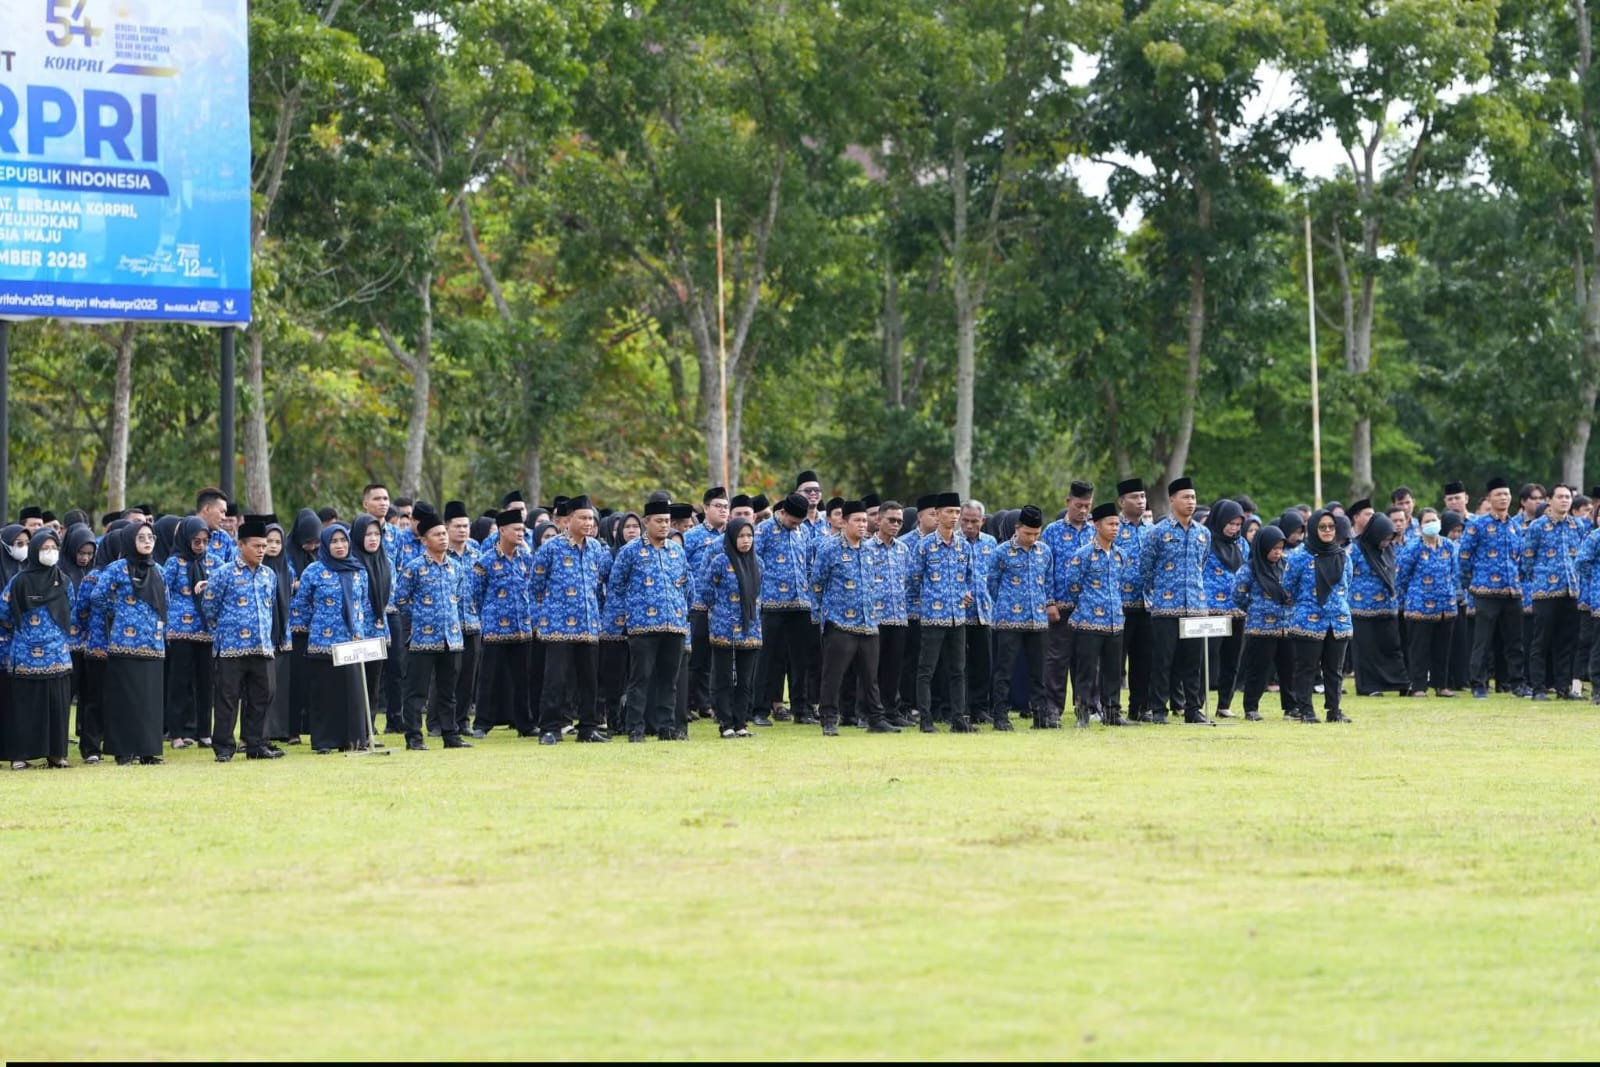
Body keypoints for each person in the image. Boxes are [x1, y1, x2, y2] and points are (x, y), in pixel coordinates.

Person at [608, 498, 692, 742]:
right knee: (640, 680)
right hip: (642, 626)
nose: (664, 525)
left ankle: (666, 727)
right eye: (659, 521)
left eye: (667, 521)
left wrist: (681, 612)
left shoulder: (676, 551)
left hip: (673, 624)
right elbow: (617, 586)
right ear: (646, 522)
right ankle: (635, 728)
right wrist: (625, 618)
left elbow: (687, 585)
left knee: (669, 680)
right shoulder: (630, 551)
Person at [202, 517, 284, 761]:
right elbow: (209, 608)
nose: (262, 550)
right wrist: (227, 630)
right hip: (231, 648)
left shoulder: (269, 575)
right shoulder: (223, 574)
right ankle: (224, 747)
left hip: (262, 647)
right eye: (257, 546)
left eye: (264, 546)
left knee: (263, 695)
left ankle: (256, 744)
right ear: (241, 545)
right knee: (227, 699)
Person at [531, 495, 610, 744]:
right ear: (569, 520)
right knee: (556, 679)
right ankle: (550, 728)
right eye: (583, 518)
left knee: (589, 680)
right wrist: (539, 619)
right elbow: (535, 587)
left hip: (588, 624)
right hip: (558, 625)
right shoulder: (551, 548)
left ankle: (588, 727)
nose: (588, 523)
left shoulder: (597, 548)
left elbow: (600, 586)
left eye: (591, 519)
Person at [812, 501, 894, 735]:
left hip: (868, 622)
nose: (862, 525)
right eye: (857, 520)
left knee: (870, 676)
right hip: (839, 622)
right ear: (845, 522)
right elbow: (817, 584)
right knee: (833, 675)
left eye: (864, 521)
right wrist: (819, 618)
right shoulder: (829, 549)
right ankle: (828, 719)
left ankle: (875, 718)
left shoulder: (869, 549)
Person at [292, 523, 375, 753]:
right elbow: (301, 604)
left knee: (353, 693)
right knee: (326, 693)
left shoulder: (359, 571)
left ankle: (355, 740)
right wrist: (316, 625)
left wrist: (363, 633)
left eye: (343, 541)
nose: (340, 546)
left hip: (352, 641)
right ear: (326, 545)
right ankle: (325, 741)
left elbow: (364, 605)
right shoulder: (314, 571)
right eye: (334, 541)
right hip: (323, 641)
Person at [394, 511, 471, 751]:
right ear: (425, 540)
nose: (443, 538)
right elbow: (400, 600)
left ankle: (451, 734)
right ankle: (414, 737)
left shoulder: (455, 567)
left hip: (452, 639)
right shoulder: (414, 568)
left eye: (443, 533)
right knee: (416, 692)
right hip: (422, 639)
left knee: (448, 691)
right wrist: (419, 619)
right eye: (436, 534)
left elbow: (458, 597)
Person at [92, 524, 168, 764]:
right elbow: (98, 596)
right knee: (125, 699)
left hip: (153, 644)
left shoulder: (159, 570)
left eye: (150, 537)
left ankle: (147, 751)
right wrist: (122, 612)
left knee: (149, 701)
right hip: (124, 644)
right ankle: (123, 751)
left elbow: (167, 600)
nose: (147, 541)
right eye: (141, 537)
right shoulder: (117, 569)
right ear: (129, 540)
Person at [0, 529, 75, 768]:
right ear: (35, 551)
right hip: (25, 656)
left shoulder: (63, 580)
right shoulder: (19, 581)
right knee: (24, 708)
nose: (50, 553)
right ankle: (20, 757)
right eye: (45, 548)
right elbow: (4, 611)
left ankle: (56, 755)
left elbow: (69, 608)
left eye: (54, 548)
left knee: (57, 707)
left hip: (57, 656)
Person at [1140, 477, 1212, 725]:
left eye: (1193, 497)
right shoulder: (1157, 532)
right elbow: (1146, 569)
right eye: (1185, 497)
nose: (1191, 502)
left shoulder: (1203, 533)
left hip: (1194, 606)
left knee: (1193, 663)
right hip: (1166, 608)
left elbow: (1201, 564)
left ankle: (1193, 709)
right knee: (1163, 661)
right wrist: (1158, 595)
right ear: (1172, 500)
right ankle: (1159, 709)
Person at [1060, 502, 1130, 727]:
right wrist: (1088, 603)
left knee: (1113, 671)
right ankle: (1083, 713)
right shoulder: (1084, 554)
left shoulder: (1120, 555)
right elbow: (1072, 584)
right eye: (1110, 524)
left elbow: (1121, 583)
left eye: (1117, 524)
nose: (1115, 528)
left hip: (1115, 621)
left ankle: (1112, 713)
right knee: (1086, 671)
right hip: (1089, 621)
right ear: (1097, 525)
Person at [1283, 509, 1354, 723]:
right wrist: (1308, 602)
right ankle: (1306, 710)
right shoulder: (1299, 557)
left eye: (1331, 527)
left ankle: (1334, 710)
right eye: (1322, 527)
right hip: (1308, 620)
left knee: (1334, 670)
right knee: (1306, 668)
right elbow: (1288, 587)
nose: (1327, 531)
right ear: (1313, 529)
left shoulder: (1343, 556)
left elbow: (1346, 585)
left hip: (1337, 620)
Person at [1460, 477, 1527, 699]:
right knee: (1483, 641)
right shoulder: (1477, 525)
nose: (1503, 498)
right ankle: (1479, 684)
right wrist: (1475, 582)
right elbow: (1464, 558)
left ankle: (1516, 683)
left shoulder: (1515, 526)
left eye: (1507, 494)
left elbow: (1520, 560)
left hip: (1512, 591)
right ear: (1489, 498)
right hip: (1485, 591)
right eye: (1498, 494)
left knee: (1515, 641)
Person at [752, 493, 816, 727]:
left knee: (801, 659)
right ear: (783, 513)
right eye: (793, 521)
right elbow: (755, 562)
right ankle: (759, 709)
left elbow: (808, 563)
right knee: (768, 658)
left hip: (801, 603)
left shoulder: (804, 532)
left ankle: (801, 709)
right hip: (771, 603)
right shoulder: (764, 530)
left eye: (799, 523)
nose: (796, 526)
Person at [987, 505, 1052, 730]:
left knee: (1039, 671)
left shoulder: (1044, 551)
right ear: (1017, 528)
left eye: (1036, 534)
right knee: (1004, 670)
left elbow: (1048, 583)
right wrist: (1007, 603)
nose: (1032, 538)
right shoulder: (1001, 552)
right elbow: (992, 584)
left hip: (1038, 620)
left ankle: (1041, 717)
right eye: (1028, 534)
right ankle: (1001, 717)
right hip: (1008, 620)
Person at [913, 492, 973, 733]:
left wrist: (967, 593)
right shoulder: (924, 546)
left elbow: (968, 578)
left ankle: (958, 718)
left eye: (957, 512)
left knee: (958, 670)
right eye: (949, 512)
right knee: (927, 669)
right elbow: (913, 580)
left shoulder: (963, 546)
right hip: (932, 617)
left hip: (957, 617)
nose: (954, 517)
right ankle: (925, 719)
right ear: (937, 515)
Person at [1521, 483, 1584, 701]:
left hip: (1570, 591)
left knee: (1565, 642)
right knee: (1541, 641)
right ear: (1550, 500)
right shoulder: (1538, 526)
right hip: (1545, 592)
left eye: (1568, 497)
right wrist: (1539, 580)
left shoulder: (1577, 526)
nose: (1565, 500)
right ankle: (1538, 687)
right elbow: (1527, 559)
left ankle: (1563, 687)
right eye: (1560, 497)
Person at [701, 516, 762, 736]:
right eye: (741, 536)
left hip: (750, 628)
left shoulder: (758, 563)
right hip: (724, 627)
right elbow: (705, 589)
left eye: (749, 536)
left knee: (745, 680)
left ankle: (741, 723)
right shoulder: (720, 561)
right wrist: (719, 609)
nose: (746, 540)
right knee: (724, 678)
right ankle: (726, 723)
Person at [1041, 482, 1094, 723]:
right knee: (1057, 660)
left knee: (1087, 660)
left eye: (1087, 506)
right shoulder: (1052, 531)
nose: (1083, 510)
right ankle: (1052, 709)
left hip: (1089, 607)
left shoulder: (1095, 530)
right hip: (1061, 607)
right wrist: (1049, 602)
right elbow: (1046, 569)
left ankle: (1087, 707)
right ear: (1068, 502)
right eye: (1078, 505)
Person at [163, 516, 217, 749]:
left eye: (205, 541)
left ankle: (204, 732)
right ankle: (176, 733)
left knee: (206, 683)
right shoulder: (175, 562)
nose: (201, 546)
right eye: (196, 541)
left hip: (206, 629)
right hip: (181, 630)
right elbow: (164, 592)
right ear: (186, 539)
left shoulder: (213, 562)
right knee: (180, 682)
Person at [1233, 524, 1295, 721]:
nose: (1278, 552)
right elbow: (1238, 595)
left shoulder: (1287, 565)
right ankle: (1251, 708)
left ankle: (1291, 708)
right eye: (1273, 548)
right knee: (1258, 670)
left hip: (1287, 627)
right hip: (1260, 628)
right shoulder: (1249, 568)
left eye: (1280, 548)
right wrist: (1256, 609)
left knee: (1289, 670)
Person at [1397, 508, 1459, 697]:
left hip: (1445, 606)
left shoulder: (1448, 545)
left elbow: (1454, 572)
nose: (1432, 524)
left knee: (1443, 648)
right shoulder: (1413, 547)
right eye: (1427, 521)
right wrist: (1411, 596)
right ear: (1420, 525)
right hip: (1419, 606)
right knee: (1419, 649)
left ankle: (1442, 685)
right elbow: (1402, 577)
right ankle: (1418, 686)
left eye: (1434, 519)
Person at [1348, 512, 1408, 697]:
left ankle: (1398, 682)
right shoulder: (1357, 549)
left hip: (1387, 607)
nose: (1386, 542)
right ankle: (1369, 686)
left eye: (1390, 539)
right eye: (1384, 538)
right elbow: (1346, 573)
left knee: (1391, 647)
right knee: (1367, 650)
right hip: (1361, 608)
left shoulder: (1389, 549)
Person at [865, 501, 913, 728]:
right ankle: (867, 713)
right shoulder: (866, 548)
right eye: (891, 520)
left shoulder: (903, 549)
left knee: (894, 668)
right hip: (874, 617)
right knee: (871, 668)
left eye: (899, 521)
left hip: (898, 616)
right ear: (879, 520)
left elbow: (910, 582)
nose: (895, 525)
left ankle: (891, 711)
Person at [1201, 498, 1248, 716]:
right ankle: (1196, 703)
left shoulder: (1242, 544)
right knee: (1206, 659)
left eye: (1238, 525)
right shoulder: (1205, 541)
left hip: (1237, 609)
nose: (1234, 528)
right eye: (1230, 523)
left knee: (1232, 660)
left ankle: (1224, 705)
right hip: (1211, 610)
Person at [1113, 479, 1153, 721]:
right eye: (1134, 497)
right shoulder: (1112, 527)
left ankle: (1140, 708)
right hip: (1119, 604)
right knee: (1115, 662)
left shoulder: (1152, 530)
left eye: (1142, 496)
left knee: (1144, 660)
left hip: (1146, 604)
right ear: (1121, 502)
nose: (1140, 501)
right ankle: (1110, 708)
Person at [958, 500, 997, 725]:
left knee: (983, 664)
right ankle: (959, 708)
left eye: (975, 521)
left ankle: (980, 707)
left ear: (982, 521)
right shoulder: (953, 542)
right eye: (966, 521)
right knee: (959, 665)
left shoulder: (990, 543)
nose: (970, 526)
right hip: (959, 612)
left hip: (983, 612)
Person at [261, 519, 298, 743]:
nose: (273, 546)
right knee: (263, 686)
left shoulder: (288, 569)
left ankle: (281, 730)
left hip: (283, 633)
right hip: (263, 635)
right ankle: (262, 731)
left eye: (277, 541)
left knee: (282, 686)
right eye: (268, 541)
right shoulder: (258, 569)